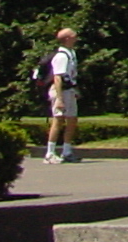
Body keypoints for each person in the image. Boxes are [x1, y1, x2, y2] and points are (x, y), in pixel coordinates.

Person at [44, 26, 77, 163]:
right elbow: (57, 78)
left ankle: (66, 151)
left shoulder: (71, 53)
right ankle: (50, 153)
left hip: (69, 90)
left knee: (72, 120)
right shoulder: (61, 56)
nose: (76, 36)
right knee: (58, 120)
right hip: (60, 91)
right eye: (73, 34)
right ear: (67, 38)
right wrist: (59, 99)